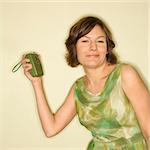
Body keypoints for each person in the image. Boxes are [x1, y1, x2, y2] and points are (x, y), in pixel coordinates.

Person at [21, 16, 150, 150]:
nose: (93, 47)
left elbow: (148, 131)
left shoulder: (125, 74)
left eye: (100, 41)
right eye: (85, 41)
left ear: (107, 49)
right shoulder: (79, 88)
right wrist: (37, 83)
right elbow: (51, 129)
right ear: (75, 49)